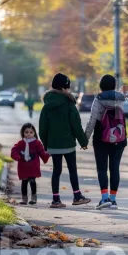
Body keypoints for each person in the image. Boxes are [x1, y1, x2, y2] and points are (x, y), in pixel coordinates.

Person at [39, 73, 91, 208]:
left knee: (56, 171)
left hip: (53, 145)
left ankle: (56, 200)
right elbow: (76, 125)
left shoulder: (47, 106)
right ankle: (77, 196)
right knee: (72, 170)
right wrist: (83, 142)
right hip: (68, 144)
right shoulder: (69, 104)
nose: (69, 90)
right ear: (63, 88)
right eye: (67, 87)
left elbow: (42, 127)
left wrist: (45, 144)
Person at [85, 74, 128, 210]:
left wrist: (85, 138)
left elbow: (92, 120)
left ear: (101, 86)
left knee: (102, 168)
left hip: (101, 137)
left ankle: (104, 198)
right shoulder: (120, 99)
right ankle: (113, 199)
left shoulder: (98, 99)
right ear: (114, 85)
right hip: (119, 137)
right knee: (115, 168)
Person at [11, 123, 50, 205]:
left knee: (32, 181)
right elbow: (14, 150)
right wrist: (17, 157)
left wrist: (47, 154)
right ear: (23, 133)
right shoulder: (20, 143)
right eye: (26, 132)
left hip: (33, 166)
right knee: (24, 182)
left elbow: (42, 152)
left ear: (34, 133)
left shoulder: (37, 143)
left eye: (31, 132)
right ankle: (24, 198)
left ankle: (33, 197)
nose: (29, 134)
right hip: (23, 166)